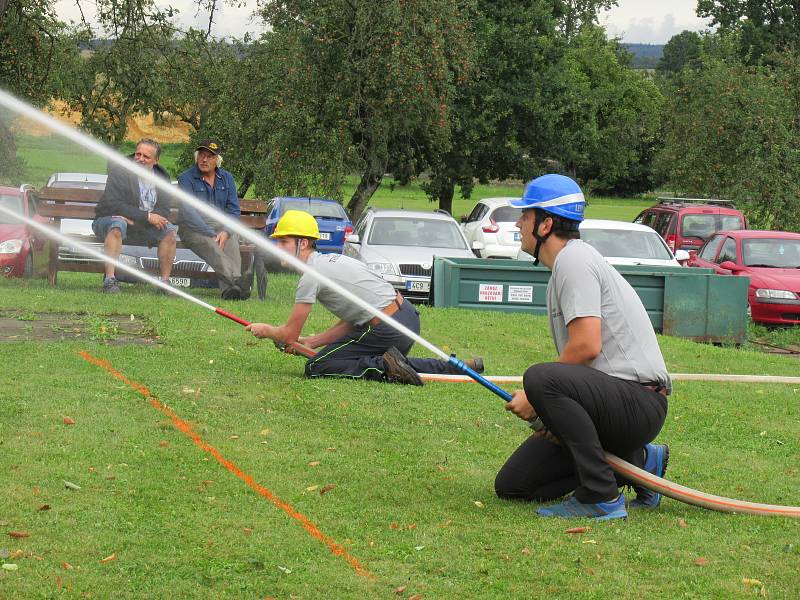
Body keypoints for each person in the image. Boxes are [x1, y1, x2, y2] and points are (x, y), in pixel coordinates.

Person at [494, 174, 670, 521]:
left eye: (525, 215)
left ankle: (600, 497)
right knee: (514, 485)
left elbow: (587, 346)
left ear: (545, 224)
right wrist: (552, 413)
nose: (517, 223)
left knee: (541, 378)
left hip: (637, 403)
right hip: (613, 406)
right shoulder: (567, 265)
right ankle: (642, 461)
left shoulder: (574, 260)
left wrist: (538, 397)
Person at [245, 210, 483, 384]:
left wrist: (266, 331)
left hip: (387, 327)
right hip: (406, 318)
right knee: (389, 359)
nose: (277, 247)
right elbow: (353, 317)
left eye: (284, 241)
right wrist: (312, 342)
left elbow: (289, 334)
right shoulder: (330, 262)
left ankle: (383, 366)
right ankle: (456, 368)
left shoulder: (310, 275)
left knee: (318, 365)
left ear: (303, 243)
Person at [92, 138, 176, 294]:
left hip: (141, 225)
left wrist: (152, 218)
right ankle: (110, 280)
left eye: (146, 157)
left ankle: (165, 283)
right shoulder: (120, 171)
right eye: (138, 154)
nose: (140, 159)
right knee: (118, 224)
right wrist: (146, 216)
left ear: (156, 161)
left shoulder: (162, 176)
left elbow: (164, 208)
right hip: (107, 219)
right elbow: (112, 204)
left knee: (169, 232)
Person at [177, 139, 249, 300]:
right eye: (201, 155)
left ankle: (230, 291)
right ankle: (237, 280)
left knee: (230, 241)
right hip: (192, 229)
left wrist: (226, 232)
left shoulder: (227, 178)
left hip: (220, 228)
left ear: (217, 160)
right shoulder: (186, 178)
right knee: (213, 245)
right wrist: (210, 233)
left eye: (209, 156)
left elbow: (234, 210)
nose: (204, 159)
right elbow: (189, 212)